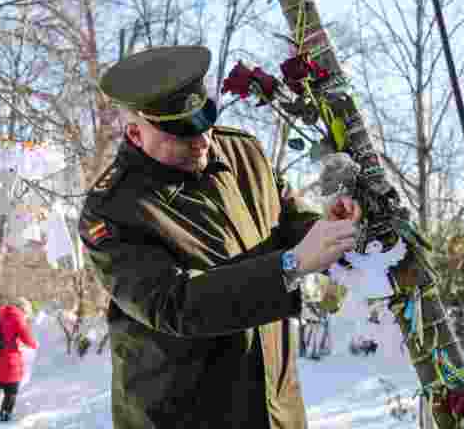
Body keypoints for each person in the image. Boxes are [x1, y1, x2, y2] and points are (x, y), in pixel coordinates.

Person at [79, 46, 361, 428]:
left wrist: (327, 229)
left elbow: (287, 218)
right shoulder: (111, 209)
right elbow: (173, 304)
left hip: (275, 408)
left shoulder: (243, 151)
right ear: (135, 133)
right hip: (186, 416)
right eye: (182, 133)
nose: (202, 142)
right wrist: (289, 266)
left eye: (205, 123)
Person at [0, 301, 39, 422]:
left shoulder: (0, 314)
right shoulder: (17, 317)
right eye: (26, 314)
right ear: (23, 310)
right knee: (11, 391)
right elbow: (27, 338)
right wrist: (35, 344)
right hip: (10, 361)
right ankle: (4, 417)